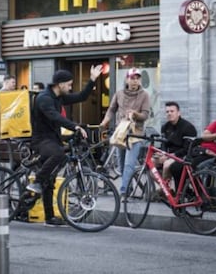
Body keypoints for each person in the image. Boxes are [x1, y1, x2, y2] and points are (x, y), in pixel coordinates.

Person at [26, 66, 103, 226]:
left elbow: (81, 96)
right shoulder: (44, 98)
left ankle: (49, 217)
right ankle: (37, 181)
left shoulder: (59, 97)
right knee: (58, 155)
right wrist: (74, 126)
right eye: (69, 84)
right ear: (60, 84)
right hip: (40, 140)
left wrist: (92, 79)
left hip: (53, 139)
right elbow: (54, 117)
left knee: (51, 178)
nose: (70, 87)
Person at [99, 67, 150, 196]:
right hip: (120, 134)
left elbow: (145, 115)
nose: (134, 81)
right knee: (121, 165)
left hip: (135, 134)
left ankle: (123, 192)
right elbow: (111, 110)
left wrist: (135, 114)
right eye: (132, 78)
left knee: (129, 164)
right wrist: (105, 121)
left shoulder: (144, 95)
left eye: (137, 78)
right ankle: (128, 188)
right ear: (127, 79)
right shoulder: (119, 93)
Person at [155, 101, 197, 196]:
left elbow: (187, 149)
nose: (169, 113)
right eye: (167, 112)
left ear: (179, 113)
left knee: (166, 165)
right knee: (151, 163)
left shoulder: (188, 127)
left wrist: (171, 156)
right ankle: (167, 189)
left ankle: (164, 191)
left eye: (172, 111)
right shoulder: (165, 127)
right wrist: (163, 153)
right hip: (169, 155)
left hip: (182, 156)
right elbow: (164, 143)